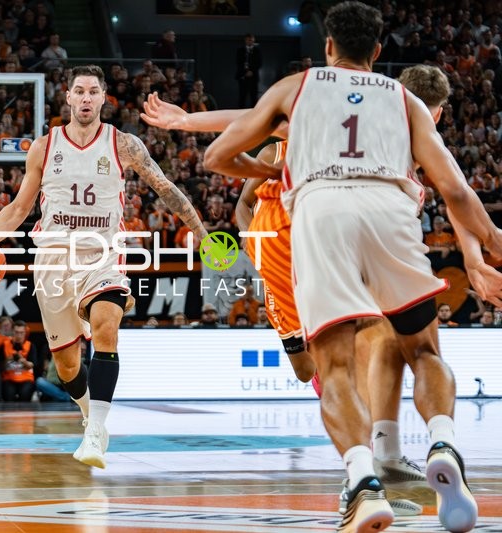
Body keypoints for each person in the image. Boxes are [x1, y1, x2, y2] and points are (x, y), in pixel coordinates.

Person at [202, 3, 502, 531]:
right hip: (390, 208)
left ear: (328, 47)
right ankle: (443, 443)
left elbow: (216, 157)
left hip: (321, 211)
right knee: (424, 349)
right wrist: (494, 242)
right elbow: (455, 190)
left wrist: (269, 171)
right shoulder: (406, 100)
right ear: (378, 51)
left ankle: (365, 484)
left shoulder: (295, 88)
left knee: (336, 366)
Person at [0, 65, 208, 469]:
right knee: (68, 367)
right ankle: (90, 414)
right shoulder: (43, 146)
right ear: (68, 97)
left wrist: (202, 233)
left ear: (104, 97)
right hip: (53, 261)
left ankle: (95, 432)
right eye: (79, 91)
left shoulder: (123, 144)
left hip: (103, 254)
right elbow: (18, 208)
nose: (86, 97)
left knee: (106, 327)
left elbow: (165, 188)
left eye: (93, 91)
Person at [0, 320, 37, 402]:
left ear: (25, 333)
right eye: (16, 332)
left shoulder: (30, 345)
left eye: (21, 333)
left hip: (26, 378)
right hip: (9, 378)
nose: (19, 335)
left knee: (25, 395)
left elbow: (32, 364)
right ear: (12, 331)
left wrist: (23, 360)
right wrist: (9, 358)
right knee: (8, 396)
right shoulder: (4, 345)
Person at [235, 34, 261, 107]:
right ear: (245, 40)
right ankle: (240, 111)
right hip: (243, 77)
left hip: (253, 77)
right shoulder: (240, 50)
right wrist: (245, 72)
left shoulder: (257, 51)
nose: (250, 41)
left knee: (254, 97)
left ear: (254, 40)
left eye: (251, 40)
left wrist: (252, 71)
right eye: (248, 40)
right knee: (242, 96)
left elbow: (259, 63)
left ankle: (254, 111)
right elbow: (238, 62)